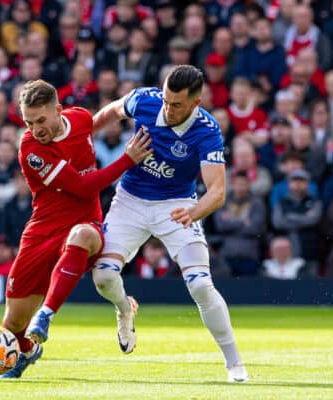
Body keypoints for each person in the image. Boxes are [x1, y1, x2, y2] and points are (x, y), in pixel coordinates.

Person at [88, 65, 248, 382]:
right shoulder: (145, 100)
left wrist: (194, 212)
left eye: (176, 105)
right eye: (166, 100)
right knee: (103, 277)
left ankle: (234, 363)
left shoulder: (208, 130)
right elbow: (112, 111)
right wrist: (83, 138)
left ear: (195, 103)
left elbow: (217, 192)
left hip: (178, 206)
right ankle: (124, 309)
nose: (168, 109)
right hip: (130, 200)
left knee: (201, 284)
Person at [0, 79, 152, 379]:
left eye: (41, 120)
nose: (36, 129)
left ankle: (46, 315)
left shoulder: (80, 117)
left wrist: (129, 107)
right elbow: (83, 187)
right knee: (12, 327)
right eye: (29, 122)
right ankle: (28, 350)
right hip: (43, 229)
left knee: (81, 236)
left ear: (59, 110)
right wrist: (127, 159)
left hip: (86, 224)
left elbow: (102, 118)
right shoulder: (31, 149)